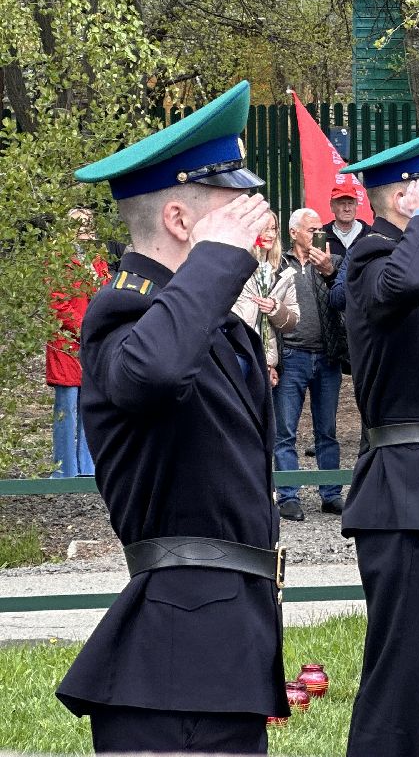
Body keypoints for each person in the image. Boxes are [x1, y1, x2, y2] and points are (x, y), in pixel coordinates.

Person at [58, 81, 286, 752]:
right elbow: (153, 372)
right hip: (173, 664)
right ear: (184, 221)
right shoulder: (122, 312)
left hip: (221, 649)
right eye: (236, 212)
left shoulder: (204, 323)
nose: (257, 225)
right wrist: (218, 261)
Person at [337, 120, 419, 757]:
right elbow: (403, 286)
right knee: (400, 671)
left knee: (412, 669)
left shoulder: (401, 260)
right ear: (403, 198)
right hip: (406, 485)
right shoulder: (371, 258)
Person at [272, 207, 345, 520]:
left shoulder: (333, 262)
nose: (316, 234)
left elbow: (343, 300)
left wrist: (329, 272)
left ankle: (331, 494)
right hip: (291, 356)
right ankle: (288, 495)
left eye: (318, 229)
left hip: (327, 357)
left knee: (326, 431)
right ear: (293, 232)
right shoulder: (277, 265)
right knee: (285, 432)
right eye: (310, 229)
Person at [46, 207, 110, 478]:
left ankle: (87, 467)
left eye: (87, 223)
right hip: (67, 344)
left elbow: (107, 290)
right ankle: (63, 469)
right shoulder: (58, 258)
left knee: (89, 408)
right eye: (80, 224)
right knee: (66, 409)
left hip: (91, 343)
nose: (85, 229)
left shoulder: (97, 259)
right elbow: (57, 302)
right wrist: (89, 324)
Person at [231, 208, 298, 391]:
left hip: (265, 360)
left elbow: (293, 321)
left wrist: (276, 309)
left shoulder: (283, 270)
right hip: (238, 353)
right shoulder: (236, 265)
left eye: (274, 228)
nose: (270, 234)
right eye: (264, 228)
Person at [324, 181, 370, 261]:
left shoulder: (369, 234)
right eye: (342, 203)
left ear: (356, 206)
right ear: (332, 206)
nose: (347, 209)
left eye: (350, 203)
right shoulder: (322, 235)